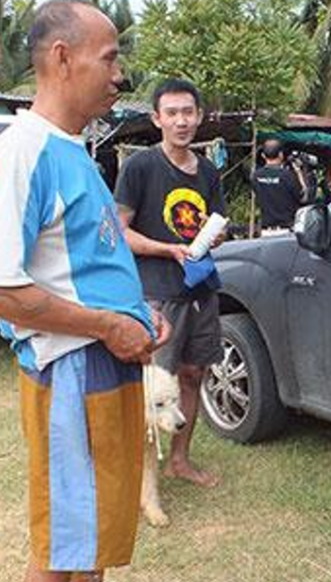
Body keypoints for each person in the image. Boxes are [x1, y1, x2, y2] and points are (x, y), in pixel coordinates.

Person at [0, 3, 175, 582]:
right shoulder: (22, 153)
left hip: (104, 363)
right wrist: (110, 326)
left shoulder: (73, 150)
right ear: (62, 58)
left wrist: (136, 311)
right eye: (109, 58)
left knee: (95, 506)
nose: (120, 74)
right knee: (59, 529)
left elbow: (84, 263)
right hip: (71, 373)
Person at [115, 78, 225, 488]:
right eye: (172, 113)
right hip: (157, 293)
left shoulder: (209, 171)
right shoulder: (140, 167)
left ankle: (180, 460)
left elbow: (215, 224)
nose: (181, 121)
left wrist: (215, 237)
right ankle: (141, 479)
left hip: (201, 288)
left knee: (193, 375)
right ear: (156, 118)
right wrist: (167, 249)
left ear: (199, 116)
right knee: (154, 384)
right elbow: (119, 233)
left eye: (188, 112)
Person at [252, 139, 308, 231]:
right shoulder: (287, 175)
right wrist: (298, 173)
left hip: (265, 230)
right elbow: (303, 197)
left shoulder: (255, 176)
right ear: (280, 155)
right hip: (286, 229)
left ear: (263, 155)